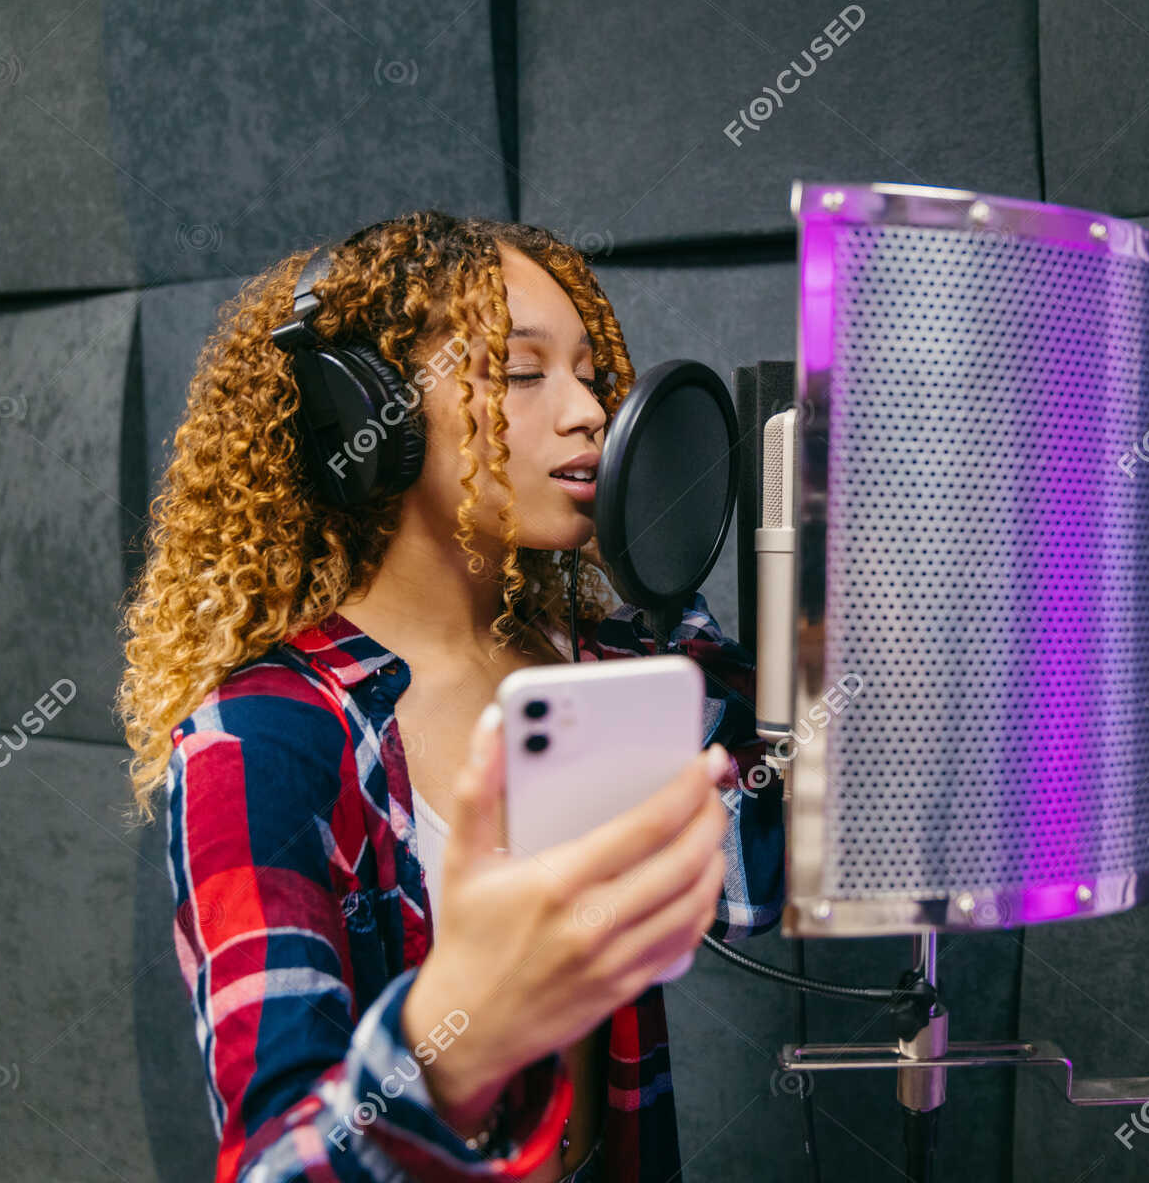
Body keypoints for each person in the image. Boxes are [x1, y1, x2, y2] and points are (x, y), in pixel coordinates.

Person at [115, 211, 784, 1182]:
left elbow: (761, 877)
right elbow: (276, 1163)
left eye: (593, 377)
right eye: (522, 373)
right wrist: (453, 1040)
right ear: (369, 413)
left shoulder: (602, 669)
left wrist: (668, 580)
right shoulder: (262, 739)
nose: (590, 412)